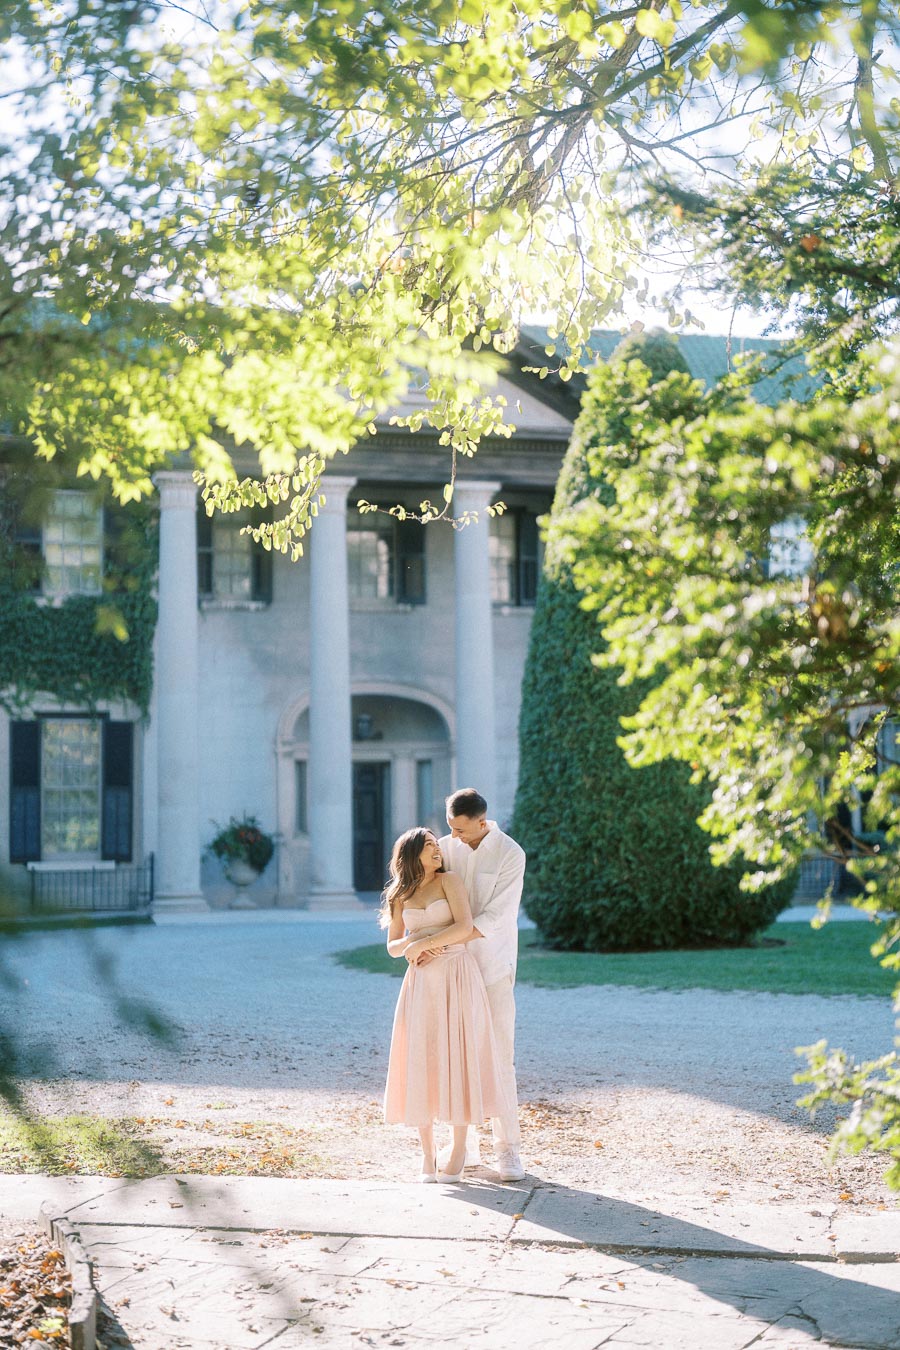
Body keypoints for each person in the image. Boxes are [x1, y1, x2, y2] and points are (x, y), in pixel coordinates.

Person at [381, 826, 509, 1182]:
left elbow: (465, 927)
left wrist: (423, 943)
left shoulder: (449, 881)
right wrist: (416, 944)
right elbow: (393, 946)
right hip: (420, 983)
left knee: (459, 1055)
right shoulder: (398, 895)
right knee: (420, 1058)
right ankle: (426, 1155)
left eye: (438, 844)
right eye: (430, 846)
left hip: (456, 972)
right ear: (412, 854)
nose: (438, 850)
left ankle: (456, 1152)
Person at [438, 788, 526, 1182]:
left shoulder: (511, 854)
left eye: (460, 828)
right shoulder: (443, 848)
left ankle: (508, 1150)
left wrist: (438, 940)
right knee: (458, 1057)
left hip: (492, 966)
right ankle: (464, 1143)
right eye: (450, 827)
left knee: (499, 1055)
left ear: (481, 820)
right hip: (452, 970)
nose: (454, 836)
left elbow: (496, 916)